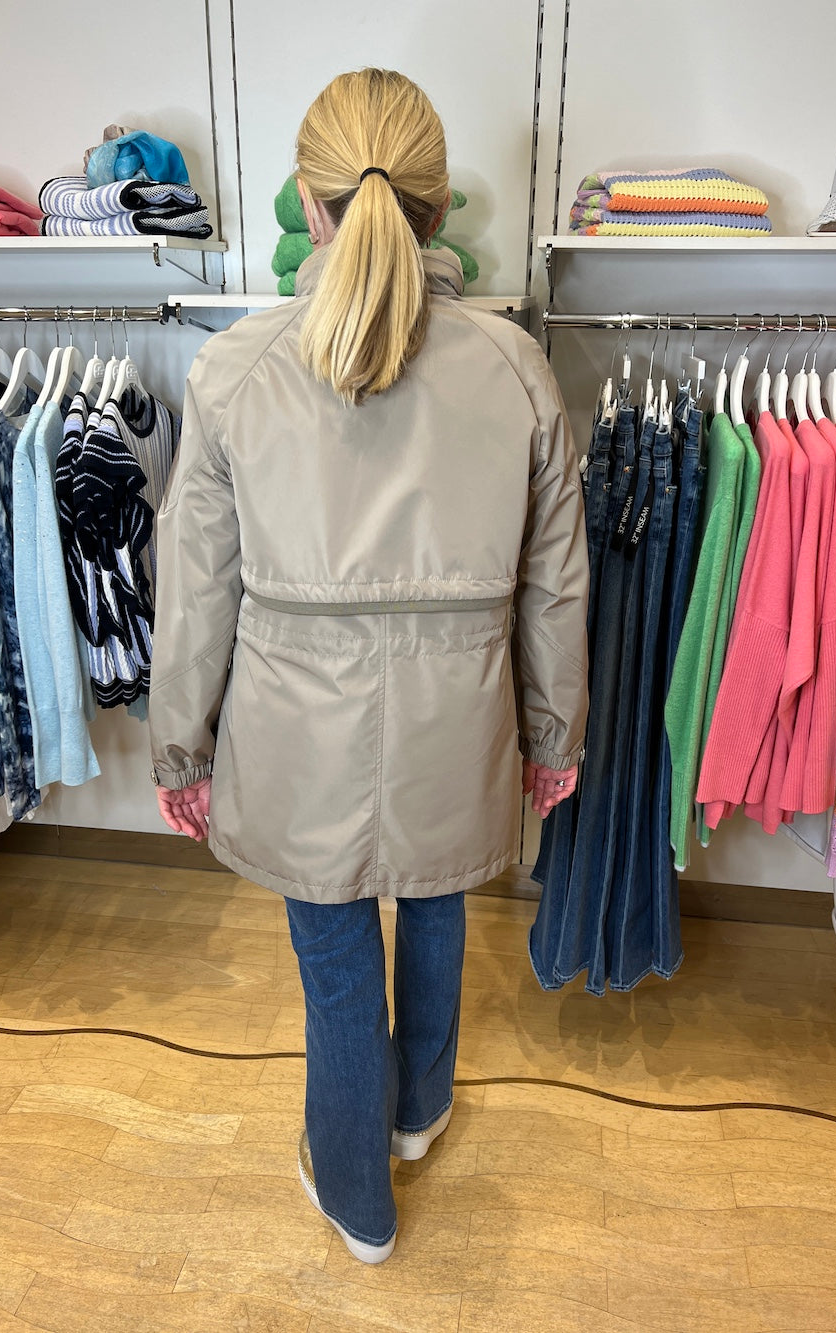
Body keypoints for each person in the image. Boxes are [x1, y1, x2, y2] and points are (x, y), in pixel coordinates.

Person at [148, 68, 589, 1264]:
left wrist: (181, 748)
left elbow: (194, 589)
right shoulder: (516, 367)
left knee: (337, 960)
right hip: (461, 718)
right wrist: (556, 735)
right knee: (437, 903)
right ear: (438, 206)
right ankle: (417, 1113)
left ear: (310, 201)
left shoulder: (236, 370)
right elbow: (556, 582)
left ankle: (357, 1198)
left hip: (297, 734)